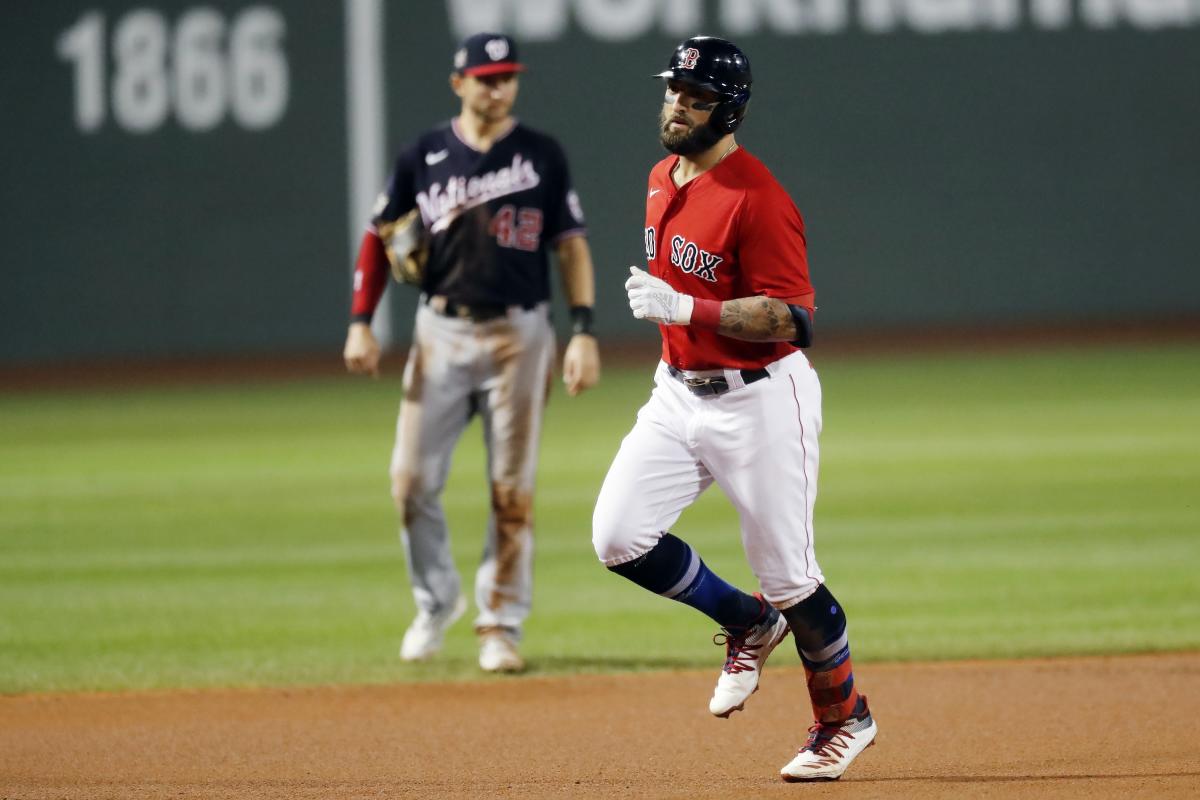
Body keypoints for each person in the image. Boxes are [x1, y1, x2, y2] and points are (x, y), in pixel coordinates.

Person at [591, 36, 876, 781]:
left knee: (791, 576)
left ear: (732, 109)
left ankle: (845, 719)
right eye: (675, 92)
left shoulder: (760, 199)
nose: (680, 106)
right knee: (618, 536)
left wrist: (689, 306)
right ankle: (747, 621)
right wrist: (682, 319)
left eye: (698, 98)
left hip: (760, 403)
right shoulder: (662, 176)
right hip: (675, 393)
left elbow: (795, 320)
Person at [344, 32, 600, 674]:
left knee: (511, 489)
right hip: (441, 332)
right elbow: (379, 238)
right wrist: (360, 322)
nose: (498, 87)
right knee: (409, 482)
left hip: (522, 335)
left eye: (507, 76)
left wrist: (585, 331)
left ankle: (500, 623)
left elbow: (570, 245)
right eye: (486, 77)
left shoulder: (541, 154)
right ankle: (436, 603)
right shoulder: (422, 154)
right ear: (459, 83)